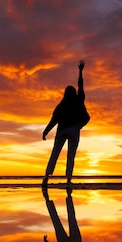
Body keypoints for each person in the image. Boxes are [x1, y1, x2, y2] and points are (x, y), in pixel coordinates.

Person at [42, 60, 90, 189]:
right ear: (74, 93)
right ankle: (68, 180)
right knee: (71, 156)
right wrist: (80, 71)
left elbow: (53, 120)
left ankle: (46, 177)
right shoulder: (79, 100)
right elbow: (81, 86)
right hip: (74, 130)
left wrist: (45, 132)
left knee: (55, 153)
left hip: (62, 130)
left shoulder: (61, 105)